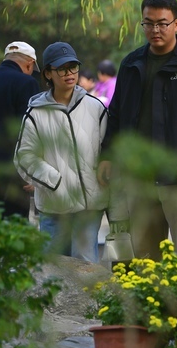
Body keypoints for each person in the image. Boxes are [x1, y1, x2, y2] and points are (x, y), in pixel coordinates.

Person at [102, 0, 177, 259]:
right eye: (148, 23)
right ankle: (150, 301)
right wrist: (108, 155)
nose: (155, 30)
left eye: (162, 23)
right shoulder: (131, 64)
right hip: (139, 175)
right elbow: (117, 113)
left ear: (176, 24)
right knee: (144, 254)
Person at [13, 42, 109, 262]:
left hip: (90, 206)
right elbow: (24, 157)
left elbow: (109, 152)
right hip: (53, 206)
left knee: (86, 267)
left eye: (73, 67)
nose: (69, 74)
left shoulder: (96, 108)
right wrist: (55, 182)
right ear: (48, 73)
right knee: (52, 272)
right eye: (62, 69)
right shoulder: (35, 113)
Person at [0, 41, 40, 217]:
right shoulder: (27, 83)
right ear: (29, 64)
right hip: (13, 179)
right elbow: (31, 130)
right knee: (13, 231)